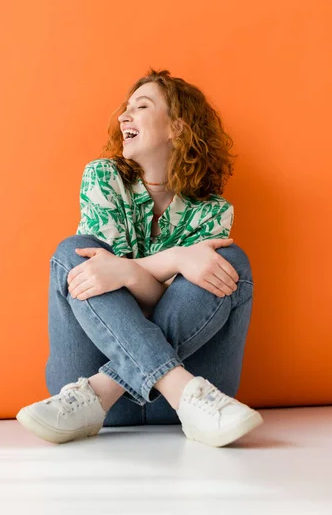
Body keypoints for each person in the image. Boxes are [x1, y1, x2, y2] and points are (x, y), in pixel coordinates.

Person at [16, 68, 263, 447]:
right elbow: (105, 283)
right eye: (125, 109)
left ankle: (105, 389)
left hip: (168, 400)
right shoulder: (103, 177)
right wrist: (176, 260)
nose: (123, 117)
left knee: (232, 261)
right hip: (117, 385)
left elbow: (165, 301)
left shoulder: (213, 211)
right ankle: (177, 388)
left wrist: (127, 271)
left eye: (141, 106)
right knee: (72, 251)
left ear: (176, 128)